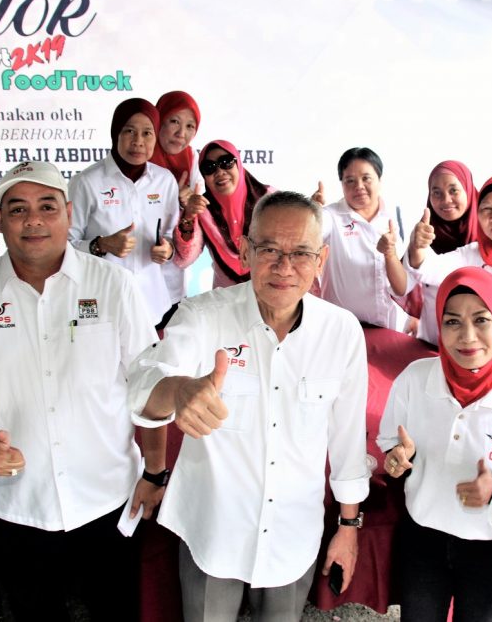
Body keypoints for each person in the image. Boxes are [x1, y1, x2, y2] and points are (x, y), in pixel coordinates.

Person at [0, 161, 164, 621]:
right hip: (15, 507)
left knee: (117, 612)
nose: (33, 220)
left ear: (69, 213)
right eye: (18, 209)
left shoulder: (114, 285)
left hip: (108, 500)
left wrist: (155, 472)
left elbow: (148, 386)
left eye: (47, 206)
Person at [129, 191, 370, 622]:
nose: (284, 267)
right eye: (269, 250)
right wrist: (178, 390)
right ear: (245, 251)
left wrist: (348, 528)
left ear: (321, 259)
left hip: (292, 536)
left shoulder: (342, 332)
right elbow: (143, 381)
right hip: (212, 530)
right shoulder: (203, 316)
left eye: (301, 253)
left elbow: (348, 443)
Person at [377, 267, 492, 622]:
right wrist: (397, 458)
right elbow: (391, 440)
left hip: (490, 546)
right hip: (423, 536)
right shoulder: (415, 378)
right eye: (452, 322)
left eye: (481, 319)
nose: (468, 336)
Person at [68, 98, 181, 327]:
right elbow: (65, 246)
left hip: (153, 304)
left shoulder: (165, 180)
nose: (138, 141)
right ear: (115, 133)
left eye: (147, 133)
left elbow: (172, 235)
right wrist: (101, 245)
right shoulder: (86, 182)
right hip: (102, 304)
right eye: (129, 131)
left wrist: (167, 249)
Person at [391, 168, 492, 344]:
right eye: (486, 209)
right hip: (464, 347)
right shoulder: (472, 253)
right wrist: (417, 246)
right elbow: (431, 268)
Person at [315, 147, 409, 330]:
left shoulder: (394, 216)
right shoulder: (330, 216)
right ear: (342, 184)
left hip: (389, 326)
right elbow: (306, 235)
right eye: (350, 180)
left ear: (379, 180)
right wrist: (310, 212)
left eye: (366, 178)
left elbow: (403, 285)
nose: (359, 186)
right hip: (342, 328)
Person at [172, 139, 273, 289]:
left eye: (226, 162)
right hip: (226, 297)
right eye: (210, 167)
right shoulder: (203, 209)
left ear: (238, 164)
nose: (219, 172)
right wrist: (188, 216)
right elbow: (184, 259)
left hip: (271, 291)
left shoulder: (270, 199)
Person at [150, 90, 204, 307]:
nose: (181, 133)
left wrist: (187, 204)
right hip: (133, 265)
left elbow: (196, 214)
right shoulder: (138, 155)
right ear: (159, 120)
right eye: (174, 121)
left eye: (190, 126)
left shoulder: (192, 158)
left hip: (172, 275)